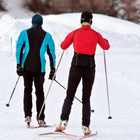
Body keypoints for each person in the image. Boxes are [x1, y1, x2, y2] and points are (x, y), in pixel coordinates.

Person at [55, 11, 110, 135]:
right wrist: (105, 40)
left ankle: (63, 122)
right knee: (86, 98)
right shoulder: (96, 34)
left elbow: (63, 46)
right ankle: (86, 127)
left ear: (81, 20)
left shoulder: (75, 32)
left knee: (69, 95)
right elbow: (106, 47)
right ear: (91, 21)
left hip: (76, 68)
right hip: (89, 69)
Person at [16, 14, 56, 126]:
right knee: (39, 92)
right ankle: (40, 118)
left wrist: (18, 65)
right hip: (40, 68)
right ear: (41, 23)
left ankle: (27, 116)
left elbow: (19, 49)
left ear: (32, 22)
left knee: (27, 90)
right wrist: (53, 69)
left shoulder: (24, 33)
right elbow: (51, 53)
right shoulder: (47, 36)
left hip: (26, 67)